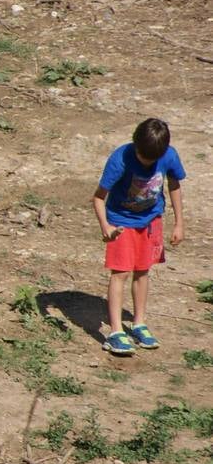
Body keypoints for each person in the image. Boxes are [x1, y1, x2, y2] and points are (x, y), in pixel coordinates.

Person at [91, 118, 186, 355]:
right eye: (144, 158)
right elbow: (99, 197)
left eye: (153, 160)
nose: (148, 163)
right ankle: (115, 332)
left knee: (143, 270)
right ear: (135, 146)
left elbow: (174, 184)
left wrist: (179, 223)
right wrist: (105, 226)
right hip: (121, 223)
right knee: (120, 272)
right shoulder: (120, 159)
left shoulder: (168, 156)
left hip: (151, 221)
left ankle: (139, 323)